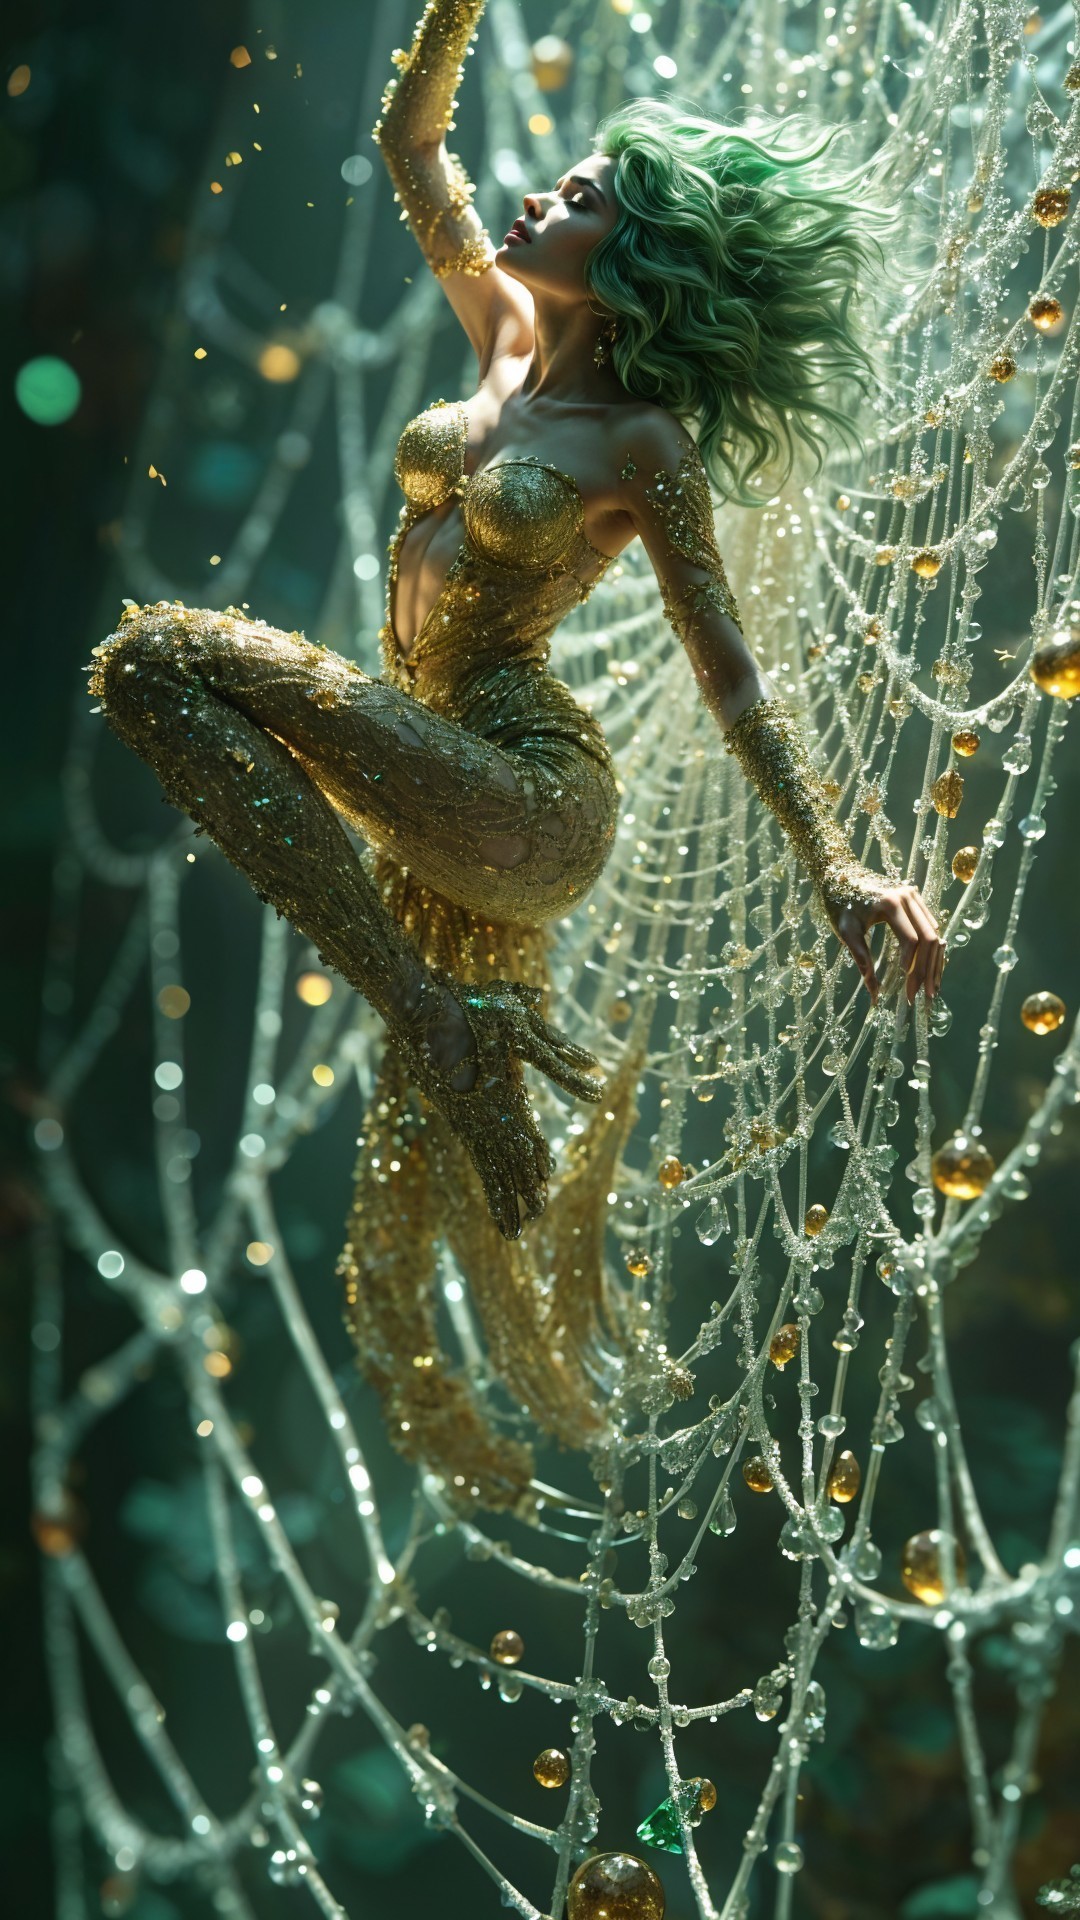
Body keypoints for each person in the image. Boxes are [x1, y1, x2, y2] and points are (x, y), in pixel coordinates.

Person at [86, 0, 942, 1510]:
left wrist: (832, 863)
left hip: (529, 787)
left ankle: (433, 1014)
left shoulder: (641, 447)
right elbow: (411, 142)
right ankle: (440, 1021)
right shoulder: (506, 335)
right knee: (158, 676)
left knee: (160, 656)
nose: (547, 192)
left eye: (589, 195)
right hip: (433, 762)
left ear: (642, 257)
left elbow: (726, 669)